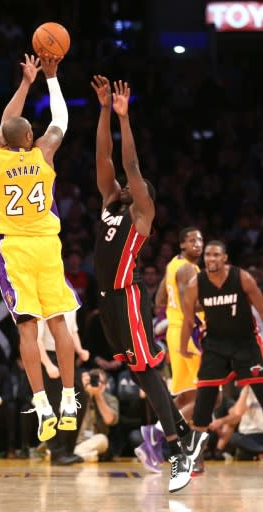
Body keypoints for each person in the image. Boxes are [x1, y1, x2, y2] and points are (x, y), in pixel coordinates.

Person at [90, 76, 208, 493]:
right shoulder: (109, 202)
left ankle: (177, 452)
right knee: (140, 376)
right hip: (106, 302)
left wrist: (125, 118)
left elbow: (130, 166)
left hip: (128, 298)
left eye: (129, 187)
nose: (120, 184)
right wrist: (103, 109)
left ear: (143, 198)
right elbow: (103, 157)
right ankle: (186, 435)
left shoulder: (141, 214)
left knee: (149, 372)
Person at [0, 53, 81, 443]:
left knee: (28, 328)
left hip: (14, 251)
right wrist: (51, 79)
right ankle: (70, 401)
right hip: (47, 246)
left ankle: (43, 406)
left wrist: (25, 84)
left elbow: (1, 130)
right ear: (29, 138)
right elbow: (61, 121)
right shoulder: (43, 153)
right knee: (58, 324)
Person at [180, 240, 263, 450]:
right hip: (215, 346)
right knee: (204, 401)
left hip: (246, 343)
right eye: (208, 255)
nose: (211, 259)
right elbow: (188, 320)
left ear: (225, 258)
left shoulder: (242, 277)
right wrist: (182, 347)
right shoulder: (195, 284)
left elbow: (262, 308)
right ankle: (195, 455)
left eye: (216, 255)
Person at [155, 227, 204, 421]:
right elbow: (188, 307)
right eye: (192, 240)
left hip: (175, 333)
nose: (197, 244)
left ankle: (158, 440)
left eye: (200, 240)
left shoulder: (172, 265)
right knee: (209, 395)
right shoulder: (188, 269)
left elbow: (159, 300)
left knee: (187, 395)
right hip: (189, 334)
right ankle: (158, 435)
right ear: (182, 244)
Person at [37, 311, 89, 465]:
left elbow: (73, 331)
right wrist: (47, 365)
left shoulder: (69, 299)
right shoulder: (43, 302)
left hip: (67, 355)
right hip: (49, 356)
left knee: (80, 400)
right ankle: (56, 452)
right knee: (52, 405)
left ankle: (68, 449)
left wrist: (79, 350)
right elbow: (36, 339)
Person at [72, 368, 119, 462]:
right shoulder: (77, 395)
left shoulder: (110, 399)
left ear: (105, 385)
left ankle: (74, 455)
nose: (95, 383)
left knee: (103, 440)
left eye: (99, 381)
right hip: (73, 439)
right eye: (91, 380)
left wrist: (98, 396)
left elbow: (109, 420)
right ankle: (84, 456)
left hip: (92, 440)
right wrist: (80, 389)